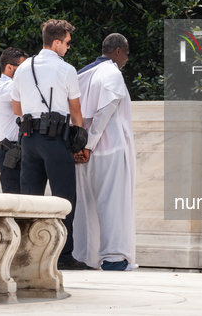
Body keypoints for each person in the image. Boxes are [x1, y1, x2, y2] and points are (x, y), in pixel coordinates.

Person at [11, 19, 87, 270]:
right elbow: (75, 111)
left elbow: (16, 107)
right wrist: (80, 141)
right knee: (64, 198)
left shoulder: (23, 68)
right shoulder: (65, 69)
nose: (67, 47)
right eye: (66, 43)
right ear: (56, 43)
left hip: (29, 140)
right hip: (55, 139)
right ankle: (63, 257)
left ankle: (26, 256)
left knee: (29, 199)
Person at [72, 33, 138, 271]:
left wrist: (79, 146)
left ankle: (86, 255)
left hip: (84, 153)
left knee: (87, 204)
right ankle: (113, 258)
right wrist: (88, 145)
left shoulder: (82, 73)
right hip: (107, 149)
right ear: (118, 51)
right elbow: (104, 112)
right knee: (113, 203)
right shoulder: (112, 73)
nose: (126, 59)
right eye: (126, 53)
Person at [0, 47, 28, 194]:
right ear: (9, 67)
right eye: (22, 67)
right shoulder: (6, 87)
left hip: (17, 150)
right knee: (14, 202)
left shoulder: (9, 85)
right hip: (11, 151)